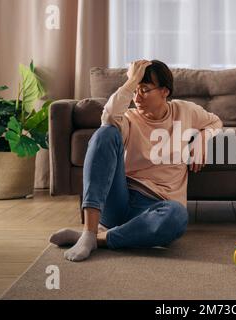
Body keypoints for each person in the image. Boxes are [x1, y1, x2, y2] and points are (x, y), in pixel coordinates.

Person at [50, 60, 223, 261]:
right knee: (105, 133)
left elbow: (215, 121)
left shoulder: (185, 111)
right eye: (135, 90)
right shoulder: (128, 118)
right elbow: (107, 119)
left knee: (178, 215)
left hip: (156, 208)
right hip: (119, 200)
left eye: (145, 90)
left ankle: (97, 239)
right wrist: (131, 81)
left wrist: (202, 137)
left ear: (165, 91)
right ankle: (89, 230)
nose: (137, 97)